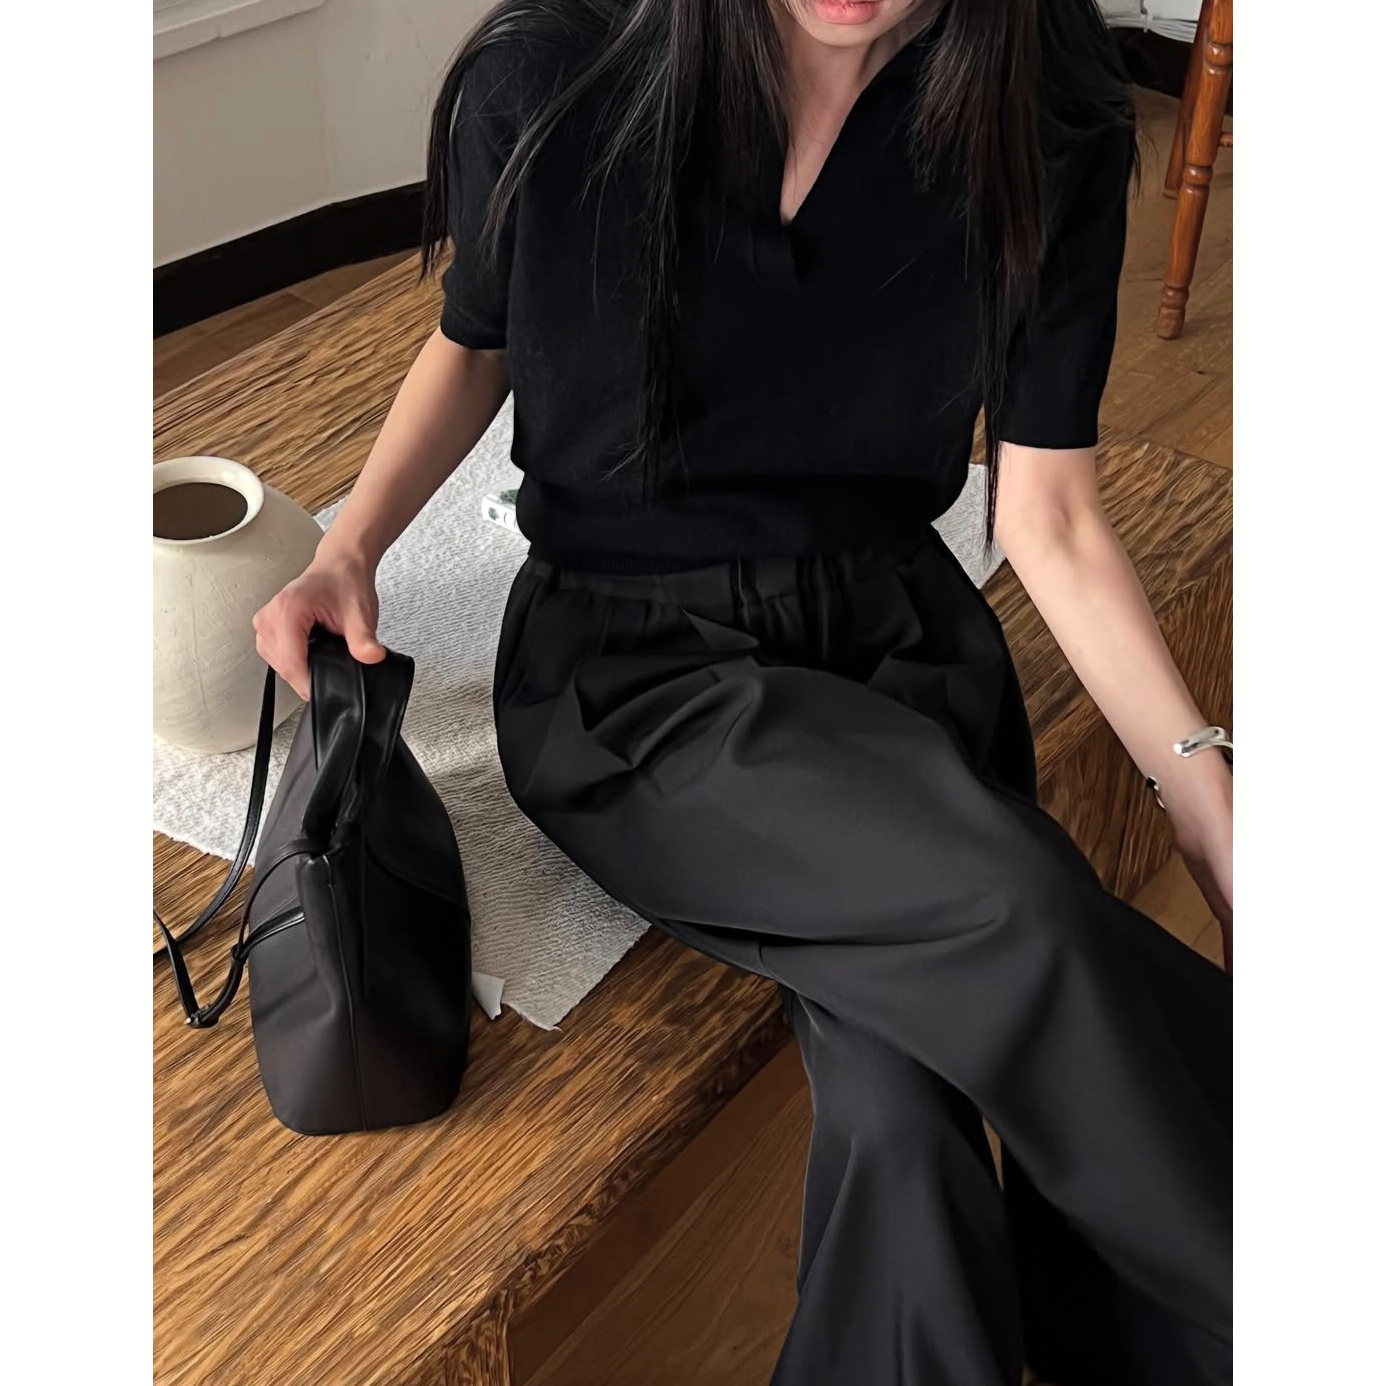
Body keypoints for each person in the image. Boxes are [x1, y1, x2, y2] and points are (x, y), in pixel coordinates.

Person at [253, 0, 1233, 1381]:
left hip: (897, 648)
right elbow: (477, 335)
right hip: (634, 680)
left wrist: (1203, 796)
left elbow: (1049, 514)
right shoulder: (555, 76)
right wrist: (348, 547)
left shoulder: (1045, 108)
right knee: (1023, 908)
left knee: (901, 1114)